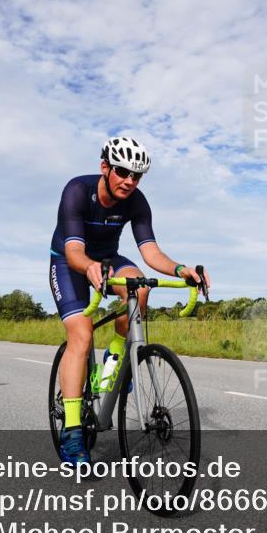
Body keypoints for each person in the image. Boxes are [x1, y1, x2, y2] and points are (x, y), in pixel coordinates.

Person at [48, 136, 211, 465]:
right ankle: (74, 431)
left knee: (142, 287)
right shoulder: (78, 191)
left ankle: (117, 355)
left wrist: (182, 269)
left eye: (137, 176)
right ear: (105, 167)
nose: (130, 181)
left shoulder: (137, 201)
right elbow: (75, 251)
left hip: (108, 258)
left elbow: (151, 252)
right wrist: (90, 267)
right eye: (123, 172)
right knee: (81, 334)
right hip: (69, 262)